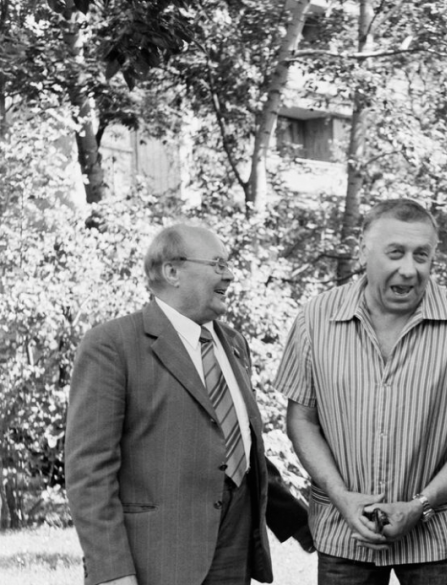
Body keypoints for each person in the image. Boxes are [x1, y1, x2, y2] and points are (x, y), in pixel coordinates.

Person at [274, 199, 447, 585]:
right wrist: (341, 497)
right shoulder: (314, 319)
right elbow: (301, 420)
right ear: (363, 252)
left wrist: (421, 505)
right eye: (395, 253)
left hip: (437, 538)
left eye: (421, 255)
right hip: (344, 535)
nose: (409, 269)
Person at [65, 224, 312, 585]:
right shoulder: (112, 345)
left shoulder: (234, 343)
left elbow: (240, 449)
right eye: (217, 264)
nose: (229, 275)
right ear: (172, 272)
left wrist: (304, 524)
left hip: (235, 552)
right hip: (158, 559)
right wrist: (112, 572)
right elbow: (89, 471)